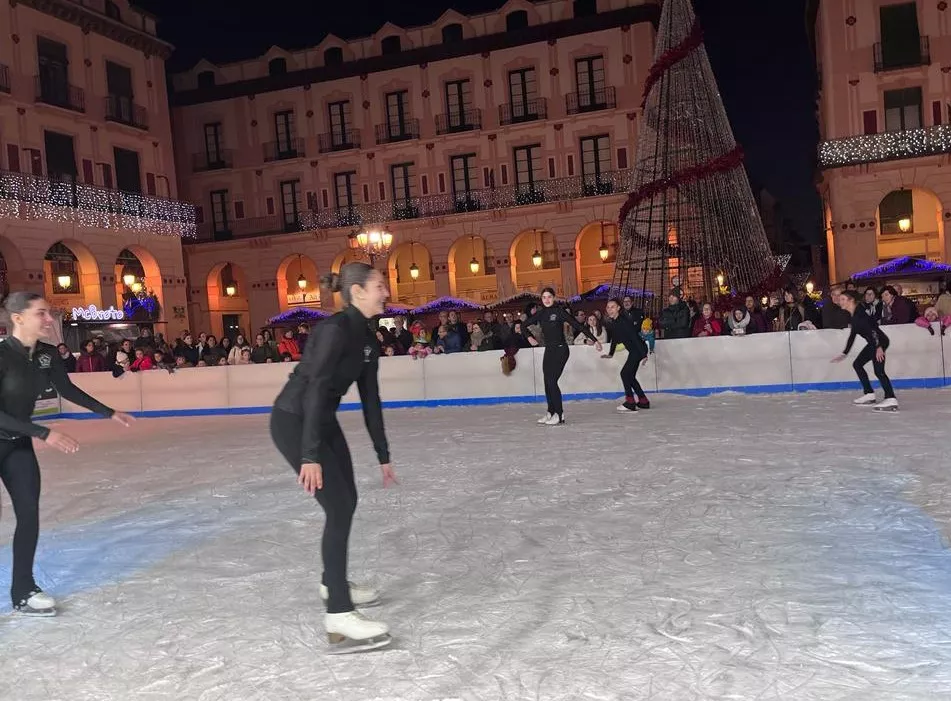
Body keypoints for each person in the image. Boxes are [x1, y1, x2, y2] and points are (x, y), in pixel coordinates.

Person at [270, 262, 398, 654]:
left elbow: (371, 400)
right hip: (296, 421)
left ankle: (333, 584)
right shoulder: (333, 330)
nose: (386, 293)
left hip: (322, 422)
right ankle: (339, 614)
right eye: (379, 286)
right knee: (339, 508)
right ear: (357, 291)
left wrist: (383, 454)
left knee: (349, 501)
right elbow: (314, 389)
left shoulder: (366, 337)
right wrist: (309, 455)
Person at [0, 292, 134, 616]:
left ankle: (23, 590)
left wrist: (108, 411)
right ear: (18, 318)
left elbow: (67, 389)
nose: (49, 320)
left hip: (16, 444)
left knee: (28, 515)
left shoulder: (47, 355)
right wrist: (45, 433)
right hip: (15, 434)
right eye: (41, 314)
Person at [523, 287, 602, 425]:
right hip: (549, 350)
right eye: (544, 297)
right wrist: (529, 337)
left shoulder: (559, 312)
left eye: (549, 297)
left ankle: (559, 414)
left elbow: (578, 325)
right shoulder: (541, 314)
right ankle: (551, 412)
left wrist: (595, 340)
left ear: (553, 298)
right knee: (547, 382)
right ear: (541, 300)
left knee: (552, 381)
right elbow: (523, 326)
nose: (547, 299)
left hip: (561, 350)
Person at [831, 290, 898, 411]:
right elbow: (852, 335)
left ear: (851, 300)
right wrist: (844, 353)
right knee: (857, 364)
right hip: (874, 343)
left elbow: (873, 329)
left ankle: (891, 398)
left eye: (843, 299)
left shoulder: (859, 315)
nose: (840, 302)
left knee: (879, 371)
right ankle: (869, 394)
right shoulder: (855, 314)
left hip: (879, 342)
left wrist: (878, 347)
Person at [602, 298, 651, 412]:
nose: (610, 309)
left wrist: (643, 354)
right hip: (635, 350)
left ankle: (630, 402)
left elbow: (634, 336)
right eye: (608, 307)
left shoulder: (623, 320)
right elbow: (615, 338)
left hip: (638, 350)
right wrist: (611, 353)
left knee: (624, 374)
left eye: (612, 307)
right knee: (630, 376)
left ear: (618, 308)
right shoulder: (615, 322)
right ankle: (643, 401)